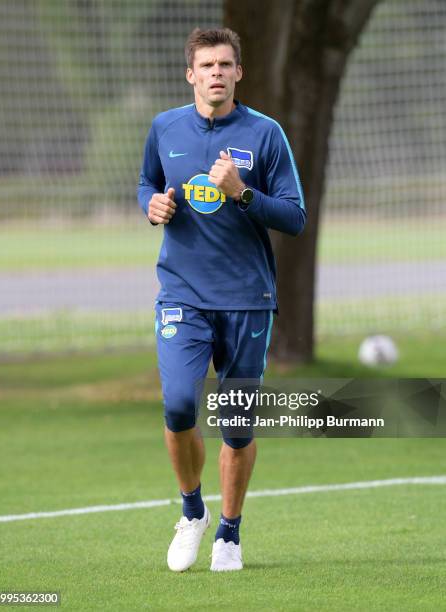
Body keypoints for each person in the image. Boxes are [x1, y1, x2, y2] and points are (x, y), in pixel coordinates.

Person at [137, 27, 305, 572]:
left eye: (225, 65)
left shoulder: (266, 134)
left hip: (247, 299)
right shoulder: (165, 127)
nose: (216, 73)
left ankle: (229, 534)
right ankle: (192, 512)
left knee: (236, 424)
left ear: (239, 73)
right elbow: (145, 182)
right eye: (206, 65)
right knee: (180, 404)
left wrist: (243, 193)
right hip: (182, 295)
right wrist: (152, 205)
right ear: (191, 74)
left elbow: (295, 217)